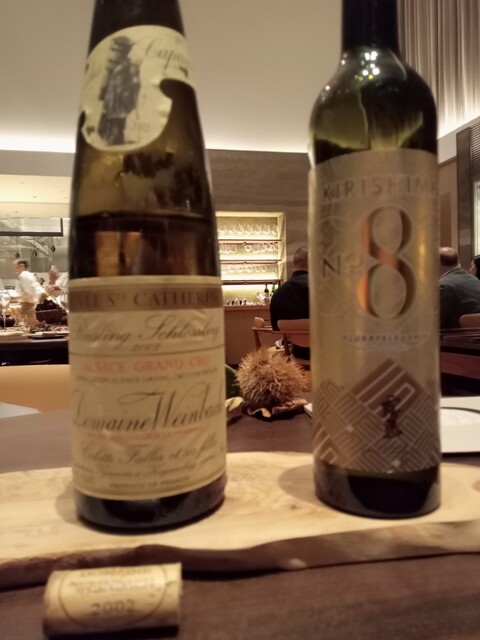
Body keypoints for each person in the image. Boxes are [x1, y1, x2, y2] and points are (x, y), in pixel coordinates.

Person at [269, 246, 309, 359]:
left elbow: (276, 329)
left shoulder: (278, 294)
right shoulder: (323, 290)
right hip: (326, 356)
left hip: (296, 357)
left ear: (294, 264)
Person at [439, 247, 480, 329]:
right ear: (458, 261)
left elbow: (434, 323)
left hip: (455, 335)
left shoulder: (444, 286)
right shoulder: (475, 280)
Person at [10, 259, 44, 328]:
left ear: (22, 265)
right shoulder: (29, 275)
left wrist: (14, 299)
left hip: (27, 304)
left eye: (16, 266)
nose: (15, 268)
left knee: (26, 325)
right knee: (29, 325)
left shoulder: (23, 276)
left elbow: (28, 293)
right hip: (29, 304)